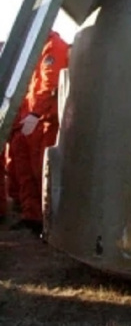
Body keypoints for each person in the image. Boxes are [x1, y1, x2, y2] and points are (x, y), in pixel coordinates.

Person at [8, 32, 70, 235]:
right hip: (27, 120)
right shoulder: (32, 49)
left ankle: (49, 222)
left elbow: (49, 83)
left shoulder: (52, 47)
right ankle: (32, 217)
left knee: (42, 172)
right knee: (25, 173)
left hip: (43, 121)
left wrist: (36, 113)